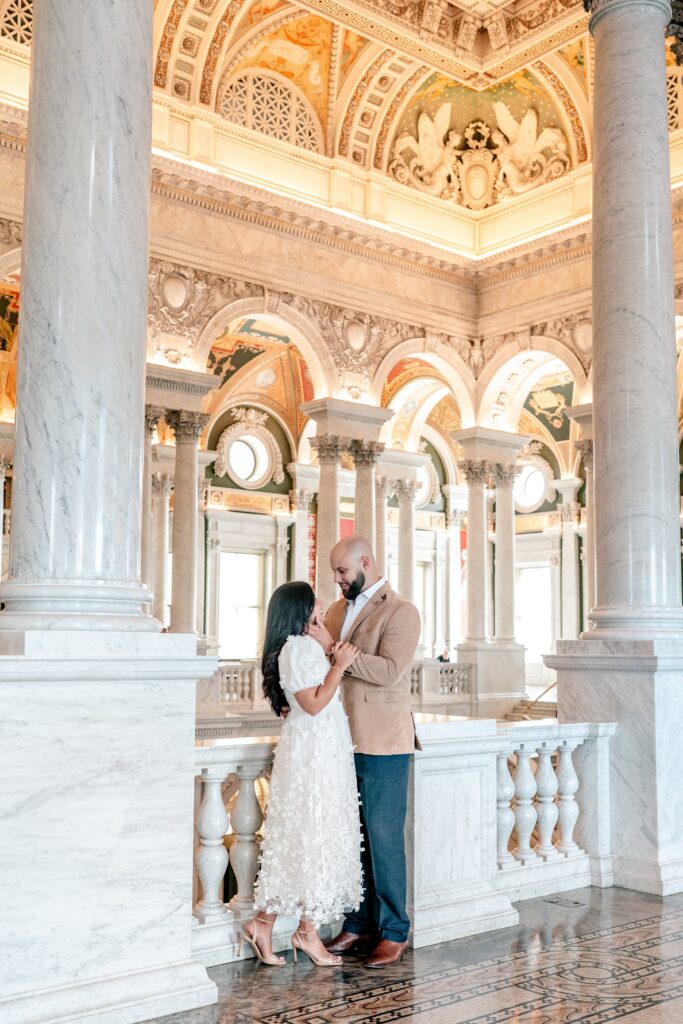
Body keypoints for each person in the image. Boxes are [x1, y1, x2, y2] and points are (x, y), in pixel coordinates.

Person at [308, 535, 421, 969]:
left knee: (384, 839)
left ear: (366, 563)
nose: (336, 580)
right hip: (338, 739)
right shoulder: (337, 610)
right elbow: (326, 664)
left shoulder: (401, 611)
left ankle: (394, 931)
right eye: (335, 572)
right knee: (353, 839)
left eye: (342, 571)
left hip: (384, 743)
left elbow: (390, 672)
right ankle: (358, 924)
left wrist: (335, 652)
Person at [239, 581, 362, 967]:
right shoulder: (295, 648)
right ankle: (301, 931)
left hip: (323, 749)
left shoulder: (303, 645)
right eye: (313, 601)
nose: (321, 603)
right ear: (297, 610)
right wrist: (339, 666)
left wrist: (329, 649)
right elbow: (311, 704)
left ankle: (269, 924)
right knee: (310, 835)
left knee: (311, 837)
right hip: (313, 754)